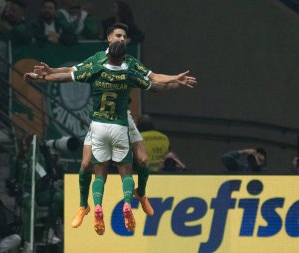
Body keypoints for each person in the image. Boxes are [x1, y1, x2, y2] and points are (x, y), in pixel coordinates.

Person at [31, 22, 197, 229]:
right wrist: (50, 71)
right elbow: (74, 70)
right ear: (109, 38)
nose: (121, 39)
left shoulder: (127, 62)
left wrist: (46, 76)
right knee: (87, 165)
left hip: (121, 117)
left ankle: (141, 194)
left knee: (143, 160)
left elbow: (153, 79)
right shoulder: (98, 60)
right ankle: (84, 206)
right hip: (107, 121)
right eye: (118, 35)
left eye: (124, 36)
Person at [24, 41, 165, 235]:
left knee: (99, 172)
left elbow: (67, 76)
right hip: (119, 126)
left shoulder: (97, 70)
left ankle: (96, 206)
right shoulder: (129, 74)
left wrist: (43, 77)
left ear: (107, 55)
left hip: (99, 126)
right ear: (124, 58)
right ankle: (126, 203)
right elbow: (154, 85)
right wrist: (175, 82)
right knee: (125, 171)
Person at [8, 134, 63, 245]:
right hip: (25, 193)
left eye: (26, 146)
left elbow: (46, 175)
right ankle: (28, 241)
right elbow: (11, 180)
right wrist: (15, 187)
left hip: (40, 193)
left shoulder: (41, 159)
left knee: (59, 197)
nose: (24, 148)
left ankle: (49, 231)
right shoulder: (17, 160)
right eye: (22, 146)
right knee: (32, 205)